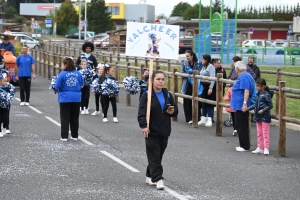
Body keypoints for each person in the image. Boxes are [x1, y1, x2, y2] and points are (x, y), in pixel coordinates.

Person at [137, 70, 178, 190]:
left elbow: (175, 109)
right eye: (158, 79)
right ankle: (158, 178)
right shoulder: (147, 95)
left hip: (164, 131)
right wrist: (143, 126)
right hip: (151, 131)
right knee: (155, 155)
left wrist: (173, 111)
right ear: (152, 80)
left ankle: (150, 174)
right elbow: (141, 113)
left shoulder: (167, 94)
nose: (160, 82)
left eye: (162, 79)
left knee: (158, 155)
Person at [55, 57, 84, 142]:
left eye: (62, 64)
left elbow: (57, 86)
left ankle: (64, 136)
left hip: (65, 98)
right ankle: (75, 136)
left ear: (65, 65)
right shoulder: (78, 73)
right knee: (75, 117)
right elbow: (82, 85)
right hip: (76, 98)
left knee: (65, 117)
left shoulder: (62, 74)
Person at [230, 61, 255, 152]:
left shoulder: (244, 77)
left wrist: (244, 104)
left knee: (241, 125)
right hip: (239, 105)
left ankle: (244, 145)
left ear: (237, 69)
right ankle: (244, 144)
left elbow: (246, 91)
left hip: (241, 105)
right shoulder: (245, 76)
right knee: (240, 124)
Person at [248, 78, 273, 155]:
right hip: (258, 116)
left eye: (258, 86)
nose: (256, 87)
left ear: (263, 86)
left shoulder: (267, 95)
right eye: (256, 86)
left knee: (265, 133)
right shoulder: (258, 94)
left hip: (265, 117)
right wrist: (248, 108)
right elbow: (256, 104)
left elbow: (270, 105)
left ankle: (266, 148)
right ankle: (260, 147)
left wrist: (263, 110)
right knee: (259, 132)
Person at [181, 50, 202, 124]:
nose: (187, 58)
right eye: (186, 56)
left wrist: (193, 71)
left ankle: (198, 116)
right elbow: (182, 72)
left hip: (197, 83)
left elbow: (201, 72)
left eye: (188, 56)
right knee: (187, 99)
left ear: (192, 56)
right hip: (187, 83)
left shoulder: (199, 63)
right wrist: (187, 74)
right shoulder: (185, 63)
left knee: (197, 98)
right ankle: (189, 118)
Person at [198, 54, 215, 127]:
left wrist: (211, 87)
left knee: (209, 104)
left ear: (206, 60)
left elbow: (212, 77)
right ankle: (203, 118)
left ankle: (209, 119)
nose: (201, 60)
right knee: (203, 102)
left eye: (203, 59)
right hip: (203, 86)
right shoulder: (204, 67)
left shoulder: (211, 67)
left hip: (208, 86)